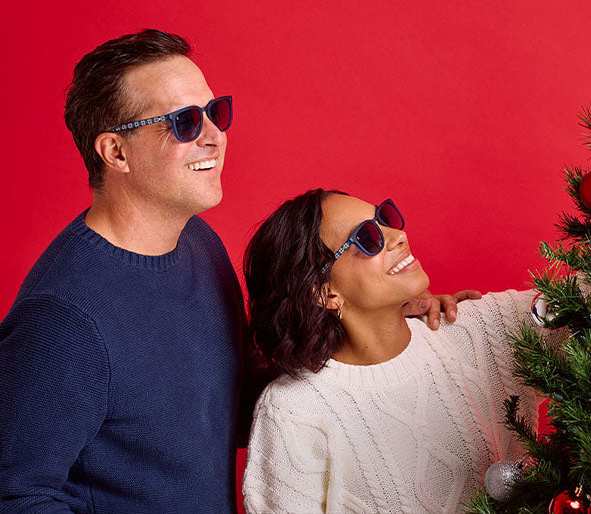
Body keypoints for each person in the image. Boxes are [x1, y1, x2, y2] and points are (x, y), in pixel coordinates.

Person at [0, 30, 463, 513]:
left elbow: (237, 403)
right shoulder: (63, 320)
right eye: (183, 122)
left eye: (214, 112)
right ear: (116, 152)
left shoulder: (199, 244)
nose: (214, 136)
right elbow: (16, 495)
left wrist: (382, 321)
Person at [241, 189, 548, 513]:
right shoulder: (294, 410)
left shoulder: (478, 329)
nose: (398, 236)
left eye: (384, 218)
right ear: (325, 292)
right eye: (367, 238)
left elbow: (585, 297)